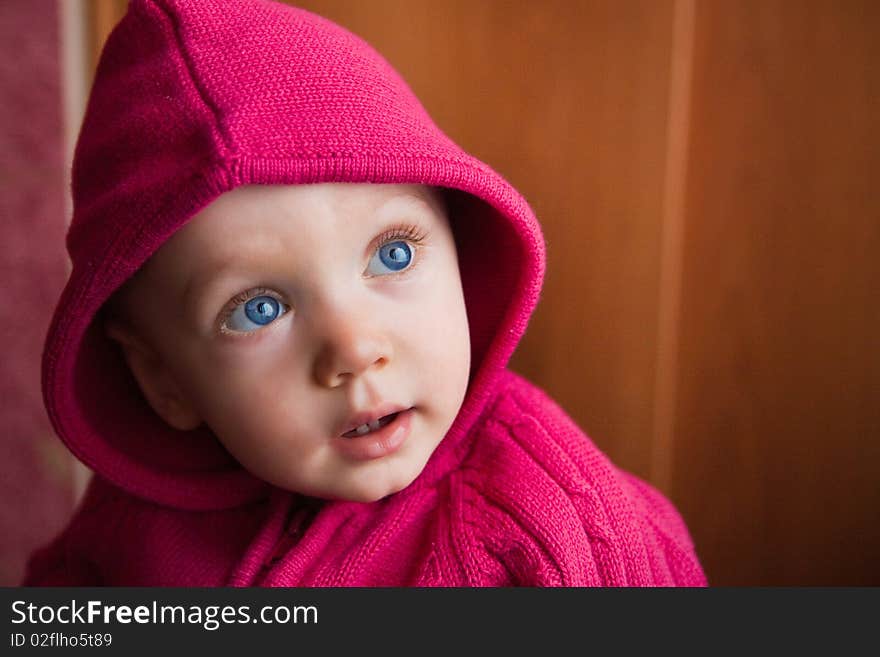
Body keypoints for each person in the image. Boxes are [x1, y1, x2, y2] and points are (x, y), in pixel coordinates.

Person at [24, 0, 707, 586]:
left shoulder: (562, 517)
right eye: (261, 307)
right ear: (161, 377)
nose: (354, 348)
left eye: (394, 253)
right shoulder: (128, 527)